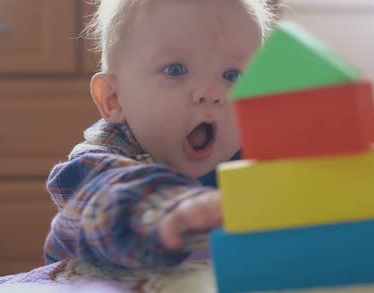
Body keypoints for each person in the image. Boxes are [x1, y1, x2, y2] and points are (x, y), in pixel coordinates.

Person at [44, 0, 277, 269]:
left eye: (233, 75)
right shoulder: (94, 166)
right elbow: (104, 202)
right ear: (114, 99)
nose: (211, 92)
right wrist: (167, 213)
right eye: (175, 70)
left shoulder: (251, 161)